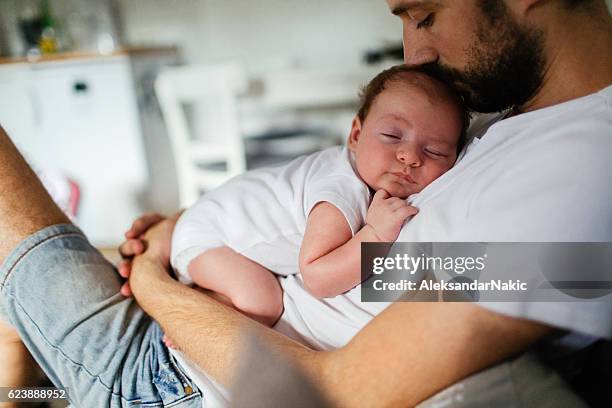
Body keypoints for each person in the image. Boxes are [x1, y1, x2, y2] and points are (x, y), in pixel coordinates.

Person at [0, 0, 610, 407]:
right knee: (27, 325)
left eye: (424, 13)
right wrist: (191, 229)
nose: (415, 52)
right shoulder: (503, 121)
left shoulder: (584, 178)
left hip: (183, 380)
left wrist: (157, 280)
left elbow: (326, 393)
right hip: (212, 321)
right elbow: (355, 233)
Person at [168, 65, 466, 333]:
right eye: (391, 135)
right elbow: (318, 278)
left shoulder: (365, 175)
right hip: (209, 235)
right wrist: (376, 234)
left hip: (218, 219)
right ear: (356, 136)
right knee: (263, 302)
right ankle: (189, 315)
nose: (410, 156)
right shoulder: (342, 191)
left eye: (435, 151)